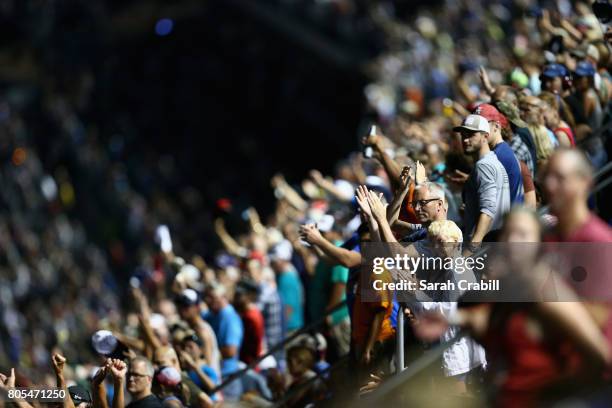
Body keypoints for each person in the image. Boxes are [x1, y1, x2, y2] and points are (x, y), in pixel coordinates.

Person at [454, 114, 510, 244]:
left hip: (485, 248)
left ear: (485, 136)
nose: (465, 140)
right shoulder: (492, 161)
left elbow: (488, 210)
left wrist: (471, 249)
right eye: (463, 135)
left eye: (471, 135)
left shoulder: (483, 166)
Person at [473, 103, 524, 204]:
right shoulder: (501, 151)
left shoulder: (499, 155)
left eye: (482, 125)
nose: (477, 130)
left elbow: (491, 206)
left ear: (496, 126)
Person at [202, 282, 244, 401]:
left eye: (212, 297)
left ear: (223, 297)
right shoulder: (213, 314)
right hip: (217, 376)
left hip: (227, 378)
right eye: (207, 297)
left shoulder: (229, 317)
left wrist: (207, 351)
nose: (208, 300)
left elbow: (231, 350)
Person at [269, 240, 304, 333]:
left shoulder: (286, 279)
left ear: (283, 260)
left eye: (275, 261)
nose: (272, 264)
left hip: (290, 329)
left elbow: (288, 308)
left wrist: (279, 330)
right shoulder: (284, 276)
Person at [233, 279, 266, 366]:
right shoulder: (246, 313)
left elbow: (254, 345)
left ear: (249, 296)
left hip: (248, 362)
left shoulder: (251, 317)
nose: (236, 297)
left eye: (240, 295)